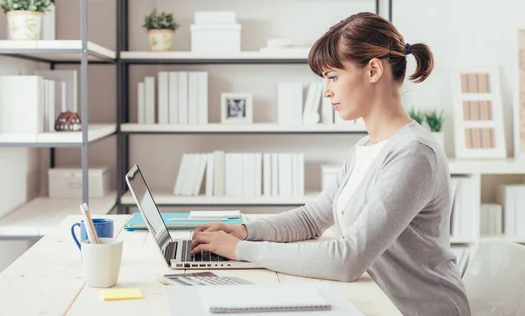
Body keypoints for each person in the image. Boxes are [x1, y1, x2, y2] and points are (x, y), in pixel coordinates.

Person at [190, 11, 471, 316]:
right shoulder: (366, 148)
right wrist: (245, 232)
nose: (326, 92)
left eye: (333, 76)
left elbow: (348, 259)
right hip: (373, 300)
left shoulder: (413, 154)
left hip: (415, 309)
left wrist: (241, 252)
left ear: (373, 70)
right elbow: (312, 219)